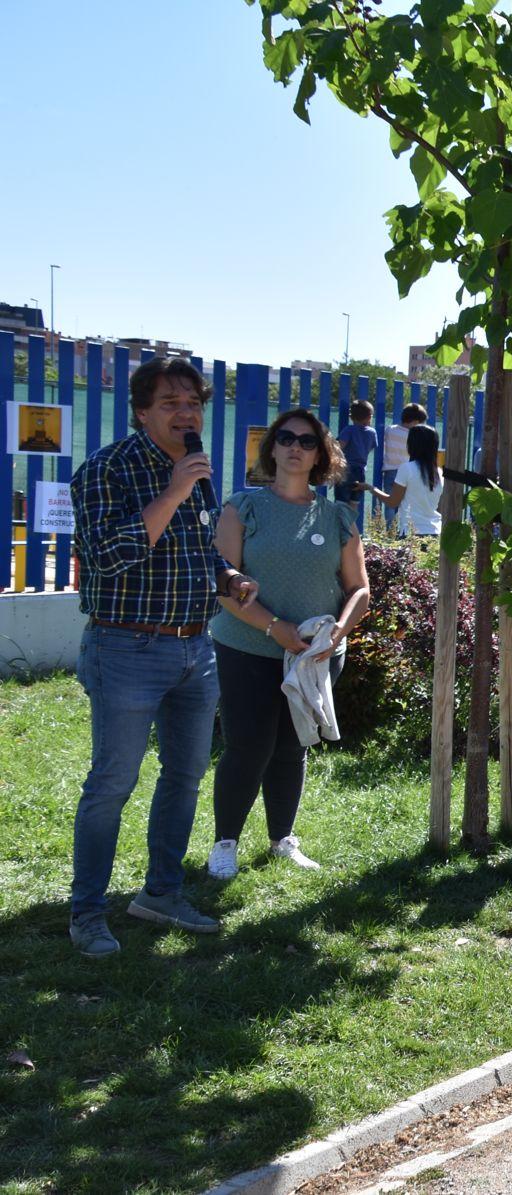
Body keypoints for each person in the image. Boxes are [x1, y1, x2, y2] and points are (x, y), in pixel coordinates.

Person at [68, 356, 260, 956]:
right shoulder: (107, 471)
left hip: (193, 648)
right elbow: (109, 557)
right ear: (142, 412)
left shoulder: (196, 470)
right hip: (125, 645)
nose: (186, 414)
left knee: (184, 776)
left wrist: (226, 577)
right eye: (171, 404)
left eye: (193, 404)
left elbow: (195, 550)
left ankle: (161, 892)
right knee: (113, 782)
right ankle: (87, 912)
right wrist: (175, 489)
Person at [204, 409, 369, 880]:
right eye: (286, 438)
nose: (296, 446)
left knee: (292, 746)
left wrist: (336, 633)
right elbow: (225, 586)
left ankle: (282, 840)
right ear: (272, 448)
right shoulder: (243, 507)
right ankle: (225, 844)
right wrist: (275, 628)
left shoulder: (337, 516)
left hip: (316, 656)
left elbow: (359, 589)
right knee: (248, 746)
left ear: (321, 454)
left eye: (308, 440)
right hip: (249, 648)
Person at [366, 424, 445, 537]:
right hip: (436, 531)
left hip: (411, 533)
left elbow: (393, 502)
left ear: (412, 445)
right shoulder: (439, 472)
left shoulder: (406, 468)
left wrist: (371, 489)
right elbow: (440, 506)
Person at [378, 401, 426, 535]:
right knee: (405, 503)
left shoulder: (390, 429)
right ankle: (403, 531)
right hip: (406, 472)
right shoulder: (414, 436)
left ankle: (390, 531)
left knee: (390, 502)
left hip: (390, 471)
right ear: (415, 422)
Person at [336, 398, 377, 508]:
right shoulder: (372, 432)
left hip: (345, 469)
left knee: (341, 502)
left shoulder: (348, 430)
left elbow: (339, 447)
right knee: (354, 502)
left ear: (351, 417)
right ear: (369, 417)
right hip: (360, 471)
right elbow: (371, 447)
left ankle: (341, 524)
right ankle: (350, 523)